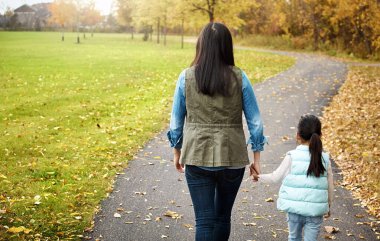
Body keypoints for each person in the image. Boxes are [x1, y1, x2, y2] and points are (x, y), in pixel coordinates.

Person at [167, 22, 267, 241]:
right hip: (232, 158)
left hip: (196, 155)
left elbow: (175, 121)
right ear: (226, 46)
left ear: (201, 46)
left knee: (204, 221)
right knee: (222, 218)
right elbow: (256, 122)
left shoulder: (186, 77)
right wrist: (257, 158)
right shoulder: (240, 77)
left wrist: (177, 151)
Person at [252, 114, 333, 241]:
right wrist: (328, 205)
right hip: (315, 211)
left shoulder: (292, 156)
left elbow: (275, 177)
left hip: (294, 210)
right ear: (320, 135)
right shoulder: (325, 158)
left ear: (298, 136)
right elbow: (330, 186)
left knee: (294, 238)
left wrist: (258, 176)